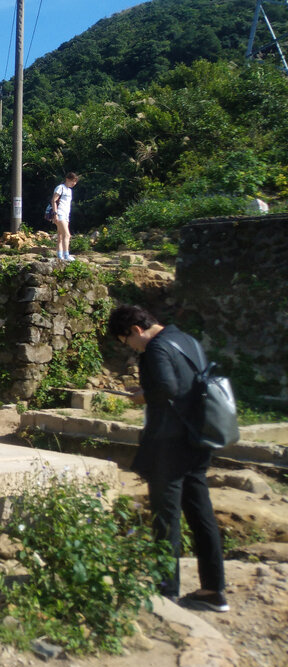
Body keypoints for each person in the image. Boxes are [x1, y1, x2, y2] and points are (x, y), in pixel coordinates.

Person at [106, 304, 228, 612]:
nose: (131, 350)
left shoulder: (156, 349)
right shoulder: (187, 340)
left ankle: (166, 593)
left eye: (127, 342)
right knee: (202, 516)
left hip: (168, 444)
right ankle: (214, 591)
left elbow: (167, 387)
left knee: (166, 519)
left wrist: (142, 395)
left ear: (135, 330)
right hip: (198, 438)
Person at [50, 172, 80, 262]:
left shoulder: (69, 190)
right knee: (67, 235)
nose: (74, 183)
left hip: (66, 215)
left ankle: (60, 256)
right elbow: (53, 200)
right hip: (59, 213)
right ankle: (66, 255)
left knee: (60, 235)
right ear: (67, 179)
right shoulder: (60, 188)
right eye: (73, 181)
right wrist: (55, 214)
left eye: (75, 182)